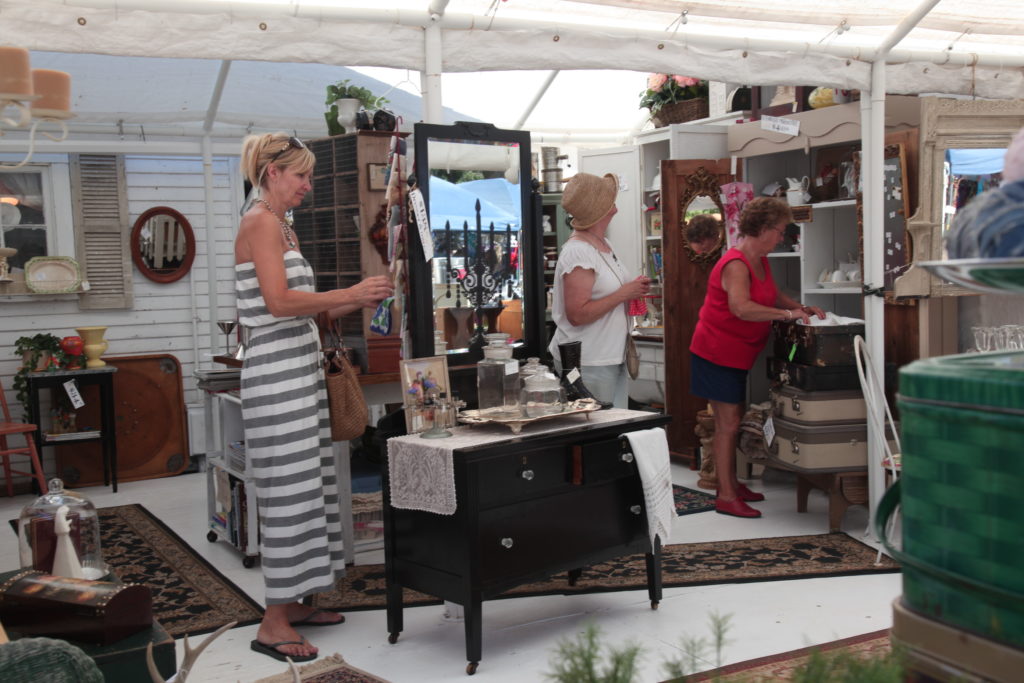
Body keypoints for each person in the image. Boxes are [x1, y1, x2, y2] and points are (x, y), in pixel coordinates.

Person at [235, 132, 393, 662]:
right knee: (287, 493)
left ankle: (298, 601)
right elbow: (279, 302)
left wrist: (360, 298)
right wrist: (350, 292)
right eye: (301, 175)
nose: (309, 185)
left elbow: (304, 309)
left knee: (312, 487)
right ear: (272, 173)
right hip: (276, 378)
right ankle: (273, 622)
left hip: (297, 373)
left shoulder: (282, 225)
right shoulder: (258, 221)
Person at [689, 197, 825, 518]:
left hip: (736, 354)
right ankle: (725, 495)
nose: (782, 237)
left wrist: (800, 308)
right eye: (779, 231)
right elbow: (742, 307)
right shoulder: (736, 264)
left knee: (731, 422)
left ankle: (732, 484)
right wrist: (786, 315)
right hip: (715, 353)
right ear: (763, 229)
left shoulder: (760, 260)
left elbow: (771, 293)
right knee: (728, 424)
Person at [548, 172, 651, 408]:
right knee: (598, 433)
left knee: (612, 430)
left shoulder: (604, 245)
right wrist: (625, 293)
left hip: (608, 355)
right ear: (602, 209)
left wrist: (631, 290)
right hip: (590, 360)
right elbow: (577, 315)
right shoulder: (578, 252)